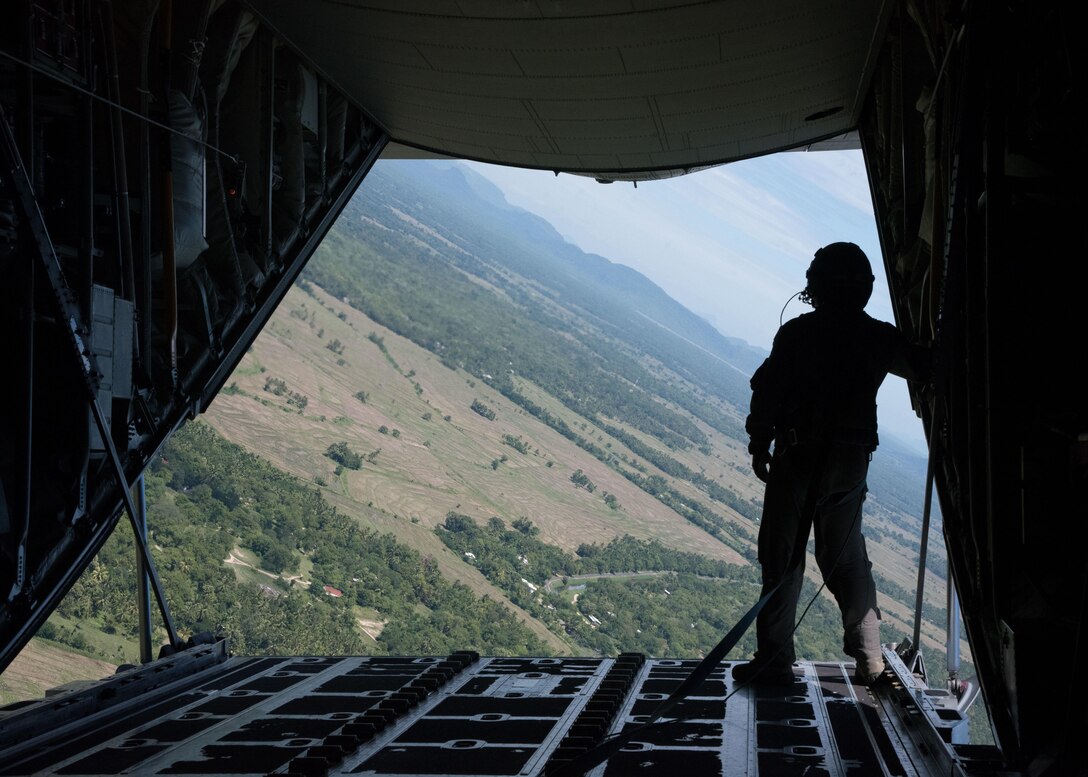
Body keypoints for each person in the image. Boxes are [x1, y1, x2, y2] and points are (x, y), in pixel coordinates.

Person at [734, 242, 931, 686]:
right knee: (845, 562)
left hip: (798, 456)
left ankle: (774, 660)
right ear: (863, 288)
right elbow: (925, 367)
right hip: (849, 464)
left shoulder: (800, 333)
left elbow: (768, 392)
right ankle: (871, 662)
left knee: (783, 561)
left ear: (817, 285)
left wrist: (758, 442)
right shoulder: (879, 338)